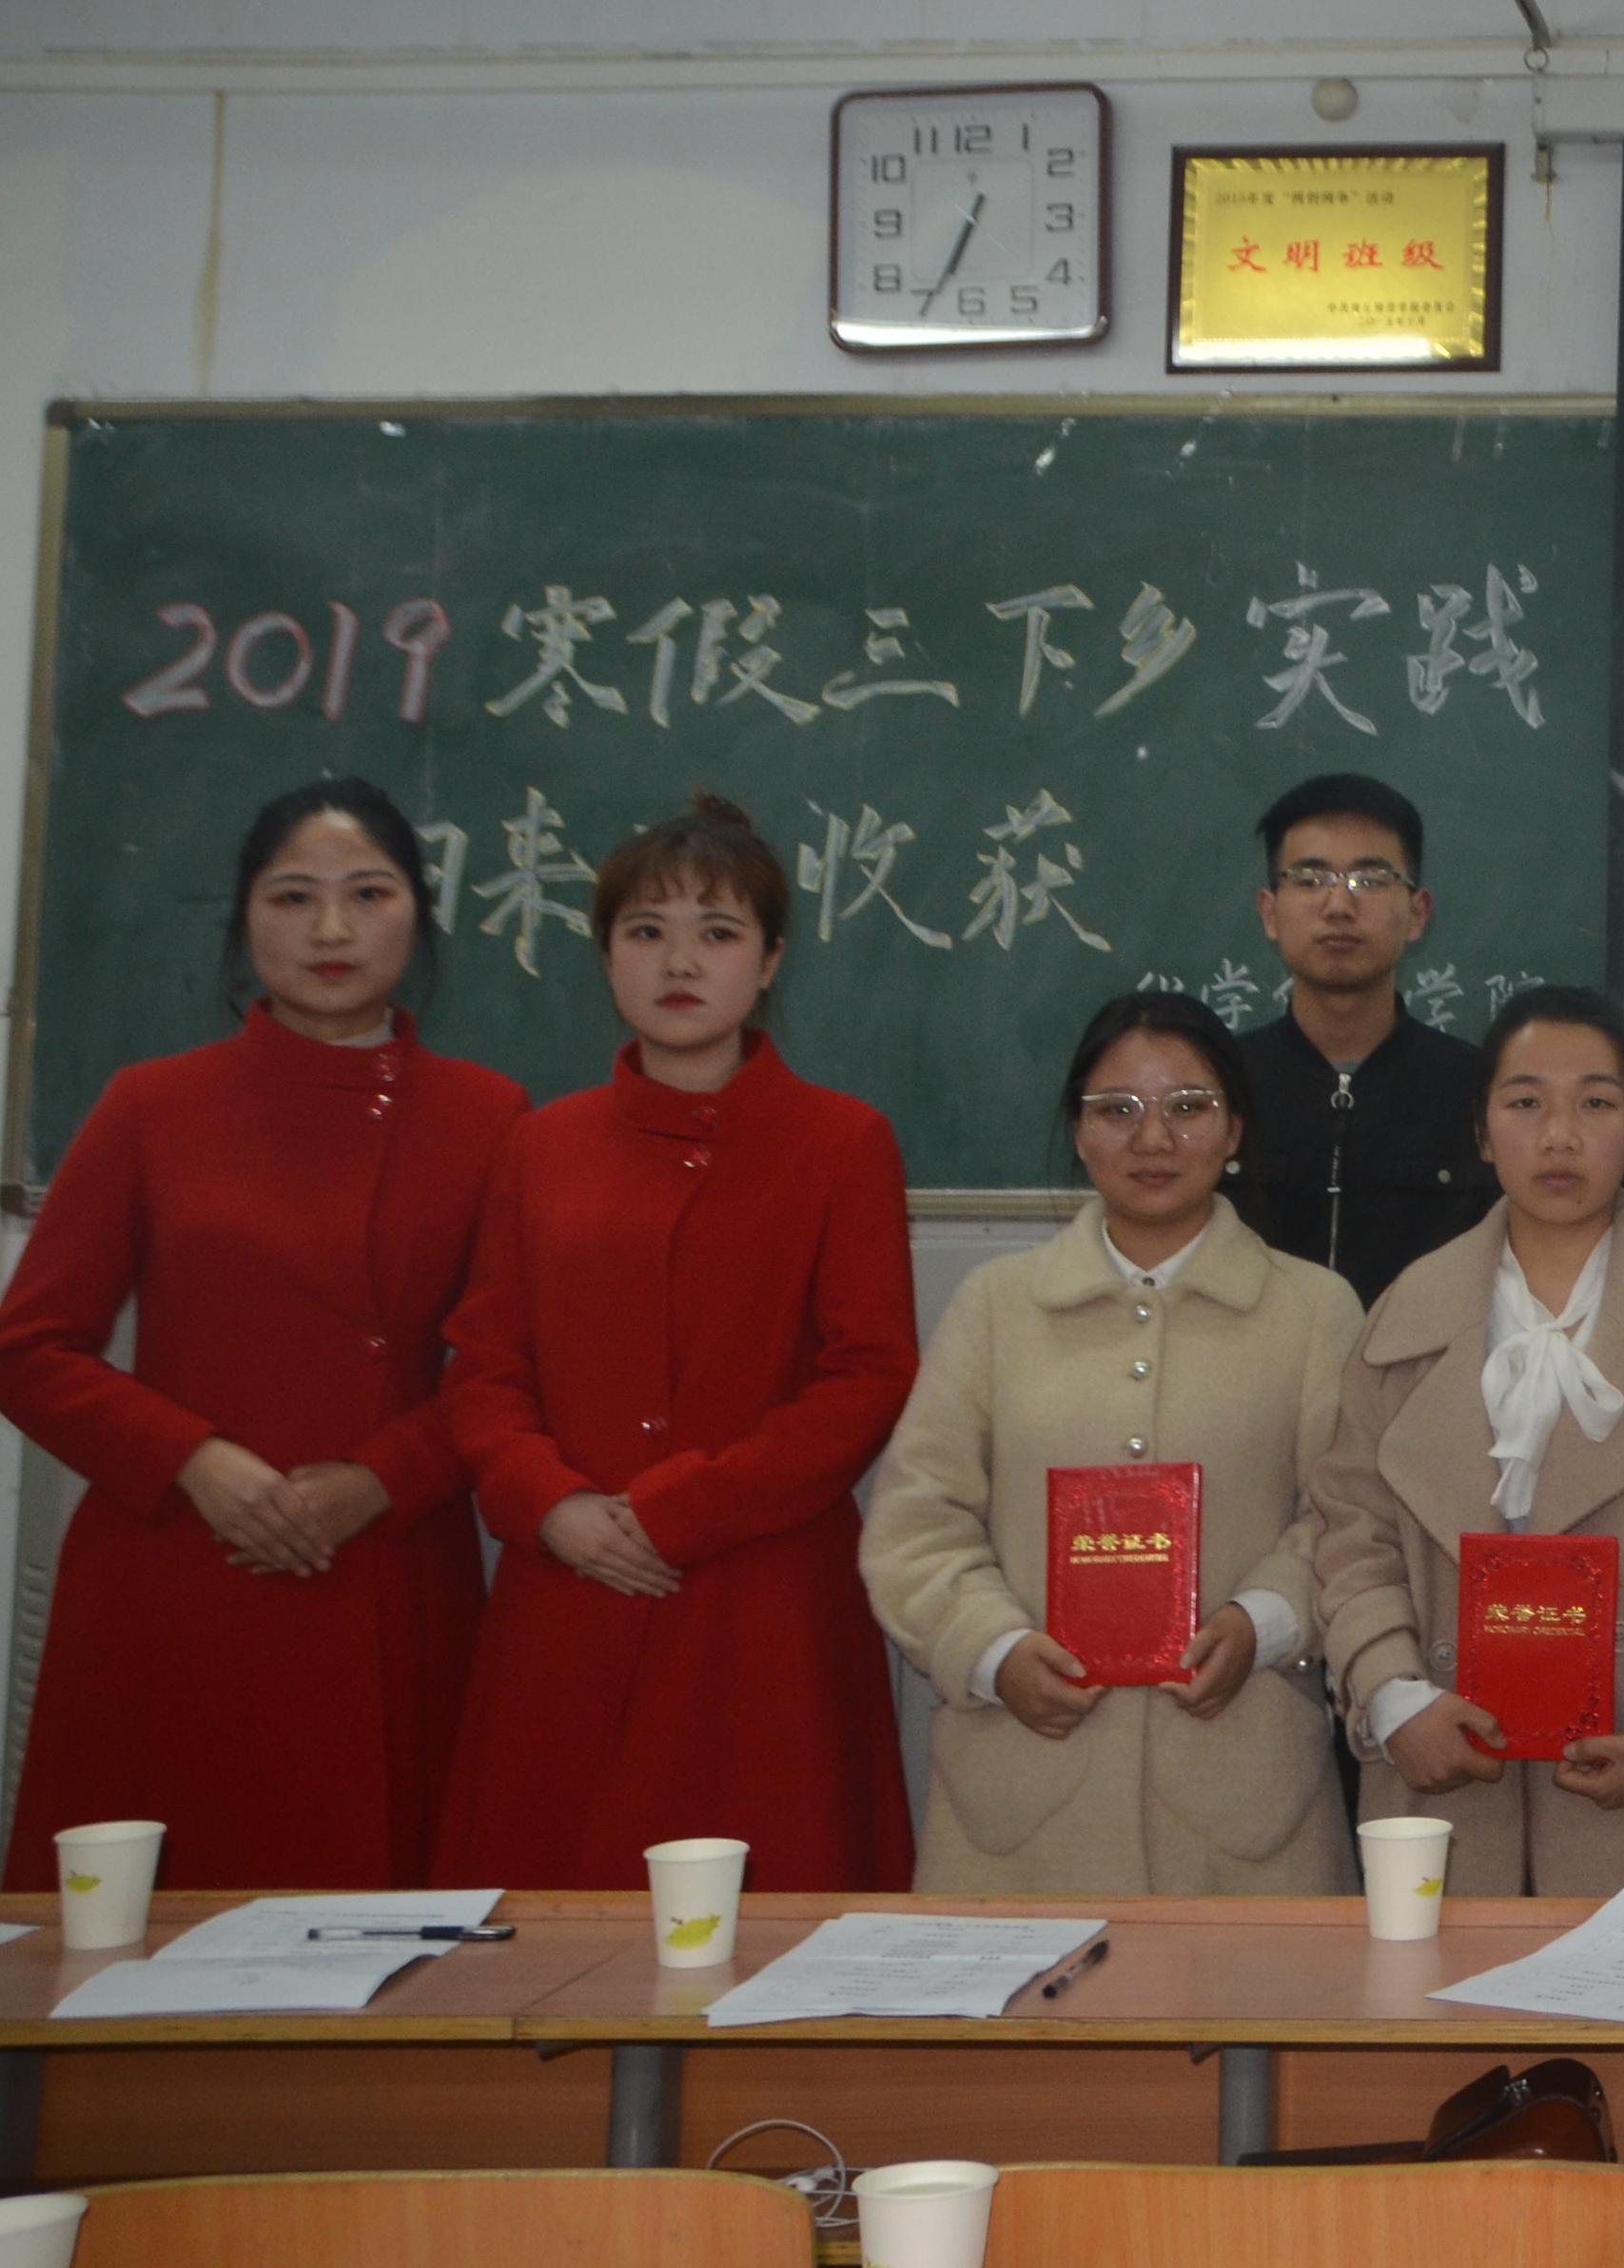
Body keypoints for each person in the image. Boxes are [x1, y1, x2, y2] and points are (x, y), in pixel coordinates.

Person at [0, 780, 527, 1891]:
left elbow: (513, 1366)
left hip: (384, 1568)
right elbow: (29, 1347)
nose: (331, 930)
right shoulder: (152, 1105)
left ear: (419, 915)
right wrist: (196, 1461)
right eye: (293, 897)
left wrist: (382, 1478)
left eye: (368, 894)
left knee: (376, 1937)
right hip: (176, 1571)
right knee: (139, 1941)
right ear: (245, 920)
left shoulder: (490, 1117)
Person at [434, 794, 920, 1889]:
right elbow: (486, 1368)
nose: (680, 962)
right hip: (568, 1586)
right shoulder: (541, 1145)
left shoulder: (843, 1141)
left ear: (771, 958)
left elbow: (867, 1374)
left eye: (718, 931)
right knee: (552, 1923)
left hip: (762, 1598)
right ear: (606, 955)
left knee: (776, 1914)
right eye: (646, 931)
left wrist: (684, 1508)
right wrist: (548, 1505)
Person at [863, 993, 1368, 1894]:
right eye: (1118, 1109)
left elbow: (1347, 1518)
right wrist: (993, 1651)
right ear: (1079, 1130)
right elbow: (915, 1522)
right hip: (1021, 1802)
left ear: (1235, 1130)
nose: (1153, 1138)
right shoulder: (995, 1305)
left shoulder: (1313, 1310)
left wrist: (1262, 1622)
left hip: (1248, 1806)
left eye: (1189, 1107)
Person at [1311, 986, 1624, 1892]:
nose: (1561, 1136)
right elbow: (1350, 1535)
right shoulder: (1403, 1318)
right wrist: (1394, 1697)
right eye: (1526, 1103)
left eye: (1597, 1103)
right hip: (1445, 1805)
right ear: (1481, 1129)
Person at [1226, 774, 1492, 1309]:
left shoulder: (1479, 1092)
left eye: (1369, 880)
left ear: (1417, 913)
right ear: (1269, 912)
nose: (1339, 906)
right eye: (1310, 879)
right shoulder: (1220, 1085)